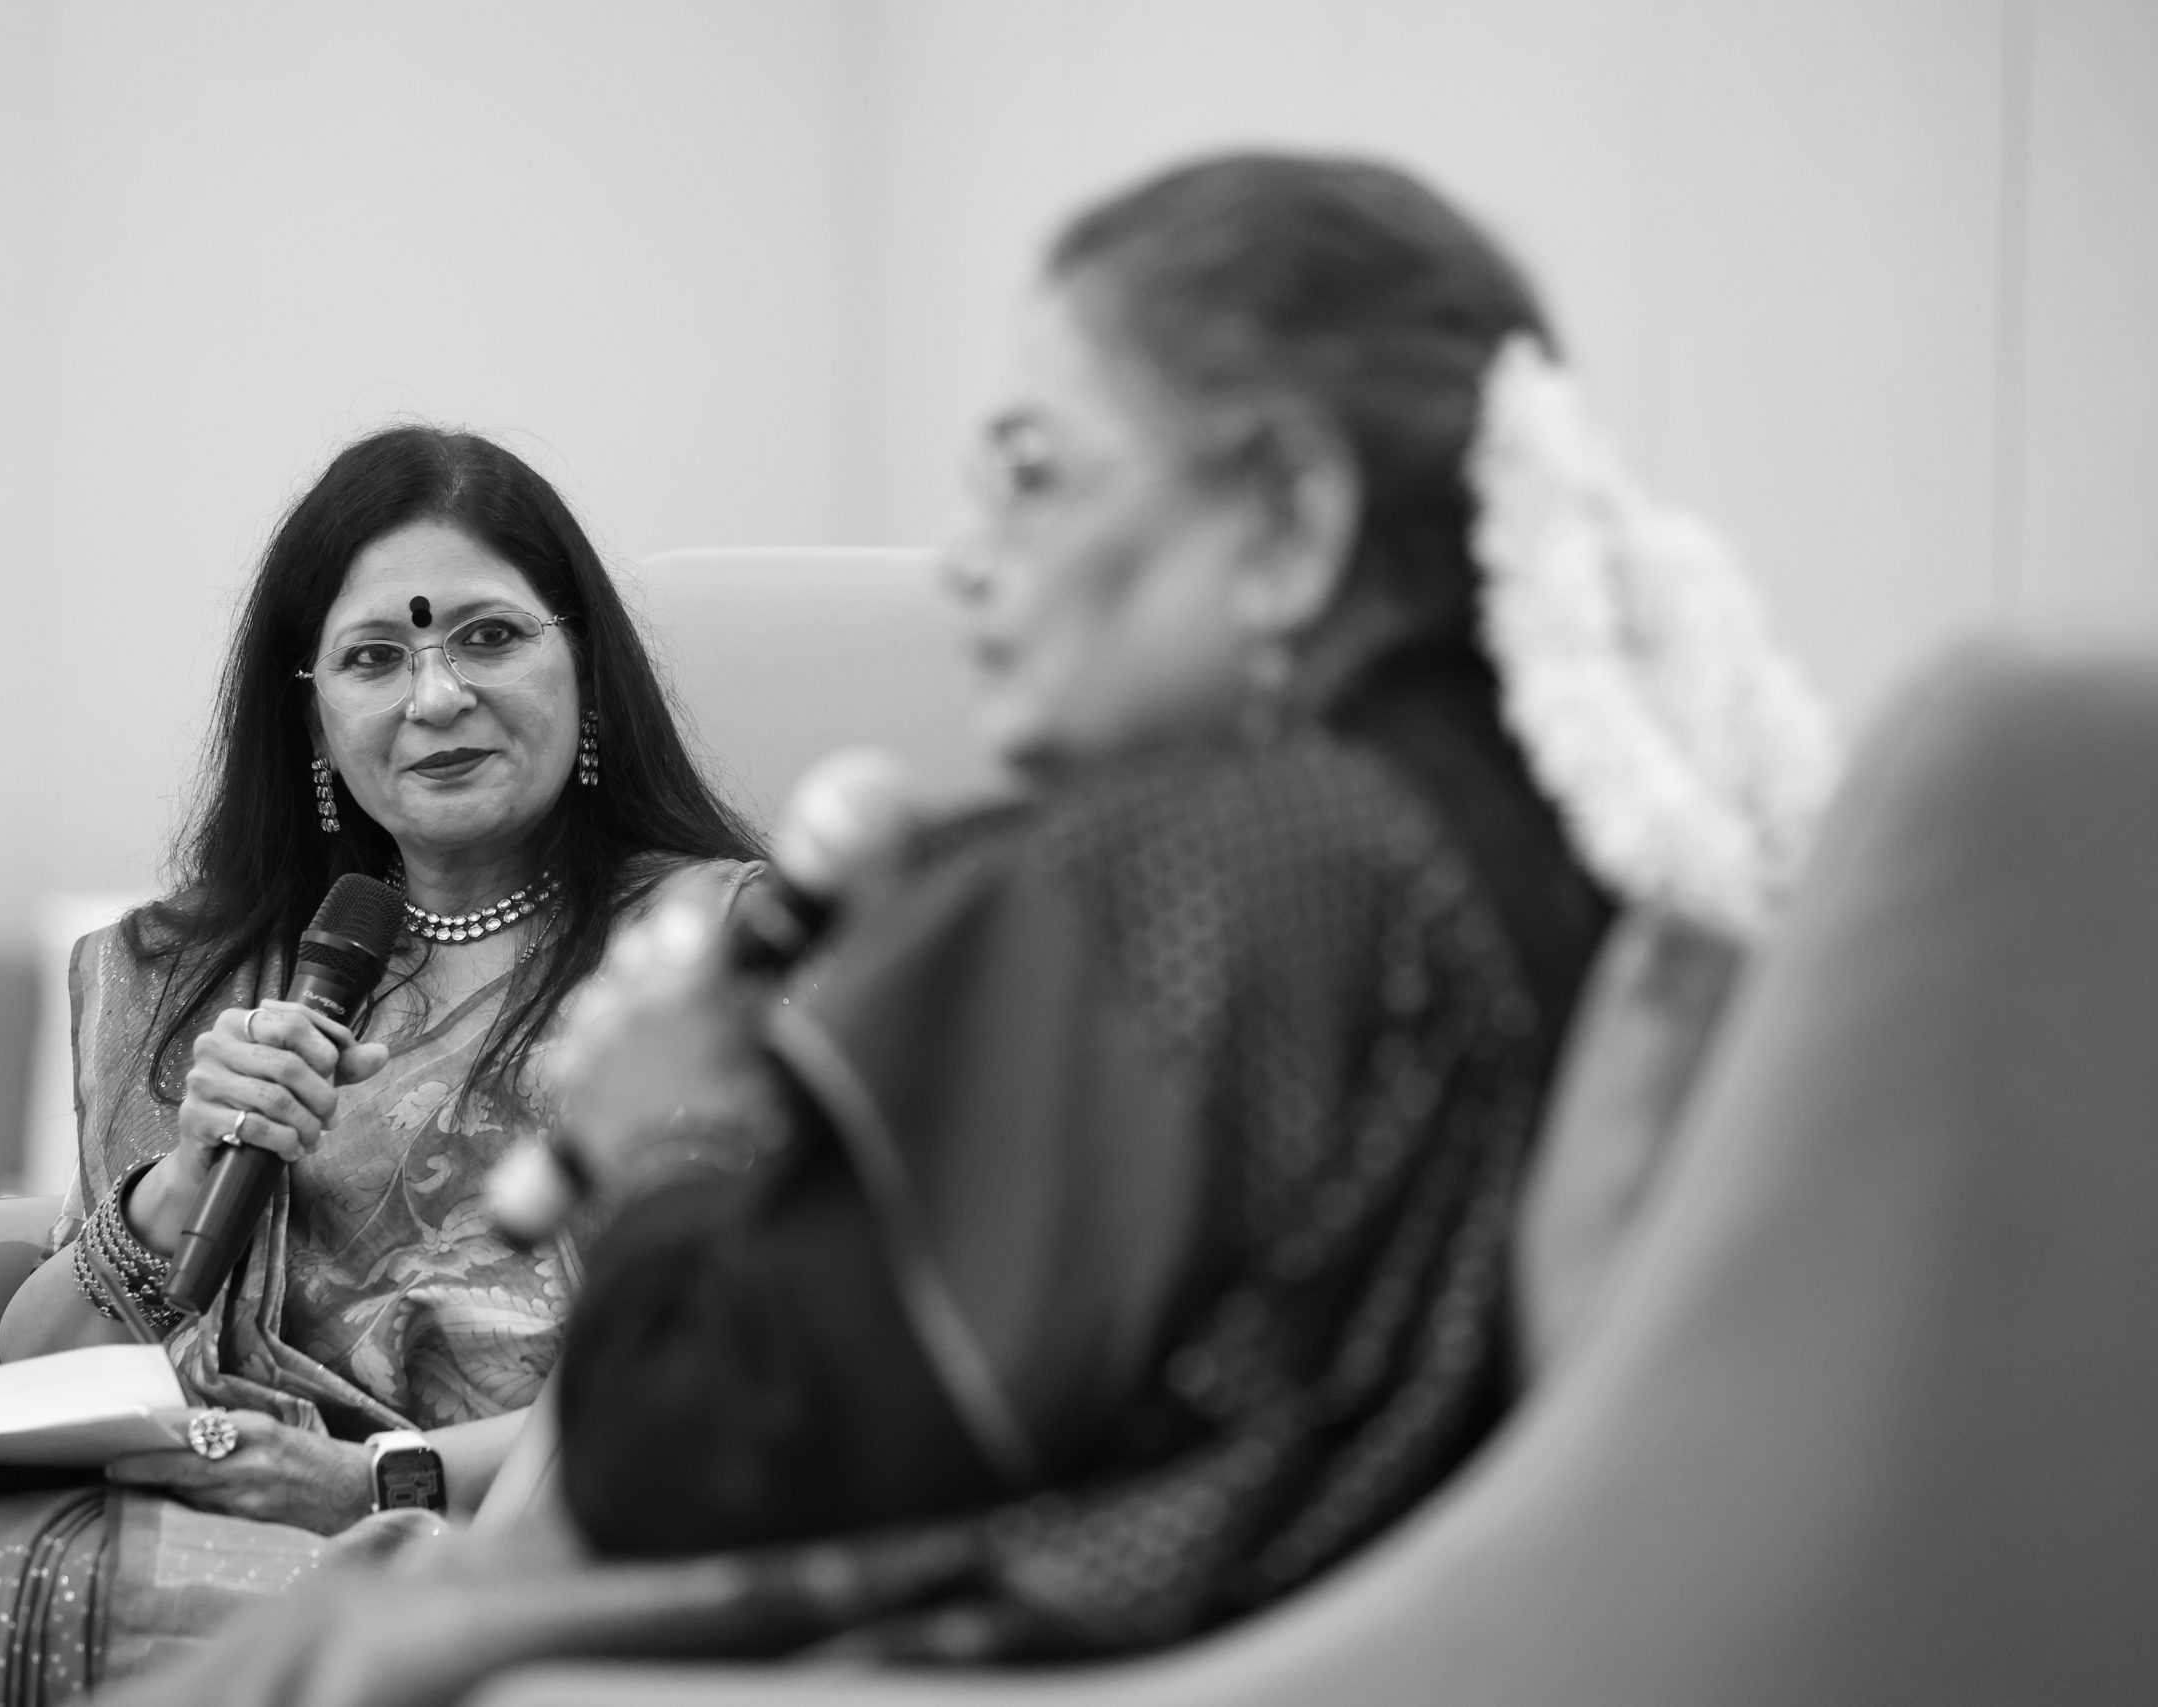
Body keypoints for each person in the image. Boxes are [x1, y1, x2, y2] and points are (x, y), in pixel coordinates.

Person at [98, 151, 1831, 1705]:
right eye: (375, 659)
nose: (972, 556)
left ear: (1295, 518)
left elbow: (680, 1460)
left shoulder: (1175, 880)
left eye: (1030, 472)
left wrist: (668, 1134)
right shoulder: (1555, 841)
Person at [0, 427, 763, 1706]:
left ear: (585, 668)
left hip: (521, 1525)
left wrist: (374, 1480)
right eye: (374, 657)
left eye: (488, 636)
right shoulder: (193, 970)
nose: (435, 698)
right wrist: (179, 1183)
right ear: (313, 716)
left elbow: (746, 1367)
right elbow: (42, 1357)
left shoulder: (715, 946)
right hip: (197, 1501)